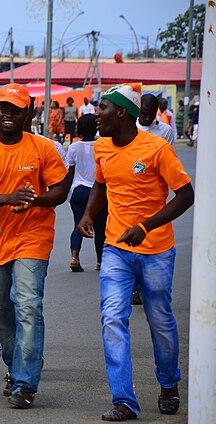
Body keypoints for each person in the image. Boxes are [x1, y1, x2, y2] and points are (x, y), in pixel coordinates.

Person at [77, 83, 194, 421]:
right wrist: (87, 214)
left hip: (156, 250)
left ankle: (169, 384)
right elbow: (101, 183)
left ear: (122, 114)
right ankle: (123, 400)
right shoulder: (101, 148)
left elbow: (186, 195)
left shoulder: (156, 149)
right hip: (115, 248)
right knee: (113, 317)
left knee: (159, 319)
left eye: (103, 109)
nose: (96, 115)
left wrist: (145, 227)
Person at [0, 83, 70, 409]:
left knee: (29, 305)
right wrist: (9, 198)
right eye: (4, 108)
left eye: (16, 110)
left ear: (27, 114)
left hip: (34, 236)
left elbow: (60, 189)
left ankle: (25, 383)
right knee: (2, 312)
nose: (8, 115)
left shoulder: (42, 149)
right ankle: (14, 365)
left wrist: (33, 200)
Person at [66, 114, 106, 272]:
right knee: (100, 227)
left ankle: (75, 257)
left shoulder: (74, 147)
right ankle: (100, 261)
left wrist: (66, 193)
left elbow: (69, 170)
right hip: (97, 191)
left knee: (78, 225)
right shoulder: (101, 145)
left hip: (79, 190)